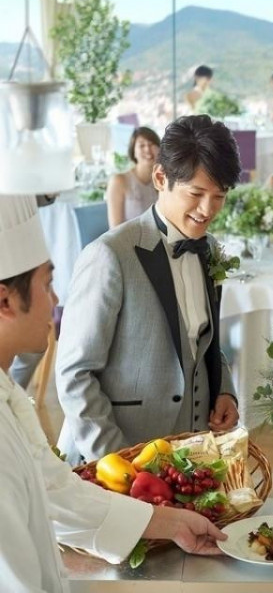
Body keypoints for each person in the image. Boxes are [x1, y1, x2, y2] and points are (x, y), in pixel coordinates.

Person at [0, 195, 227, 592]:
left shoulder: (10, 397)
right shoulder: (110, 253)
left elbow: (57, 492)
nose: (55, 301)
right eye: (48, 284)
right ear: (5, 301)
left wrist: (172, 523)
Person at [56, 115, 240, 466]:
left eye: (219, 196)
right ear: (160, 178)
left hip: (191, 457)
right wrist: (118, 463)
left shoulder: (210, 249)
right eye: (196, 194)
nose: (208, 210)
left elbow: (203, 341)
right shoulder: (109, 255)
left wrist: (225, 391)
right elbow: (75, 374)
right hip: (121, 457)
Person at [106, 126, 160, 227]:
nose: (147, 149)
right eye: (142, 145)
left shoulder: (163, 179)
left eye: (152, 144)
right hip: (128, 236)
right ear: (133, 151)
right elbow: (115, 229)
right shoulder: (119, 181)